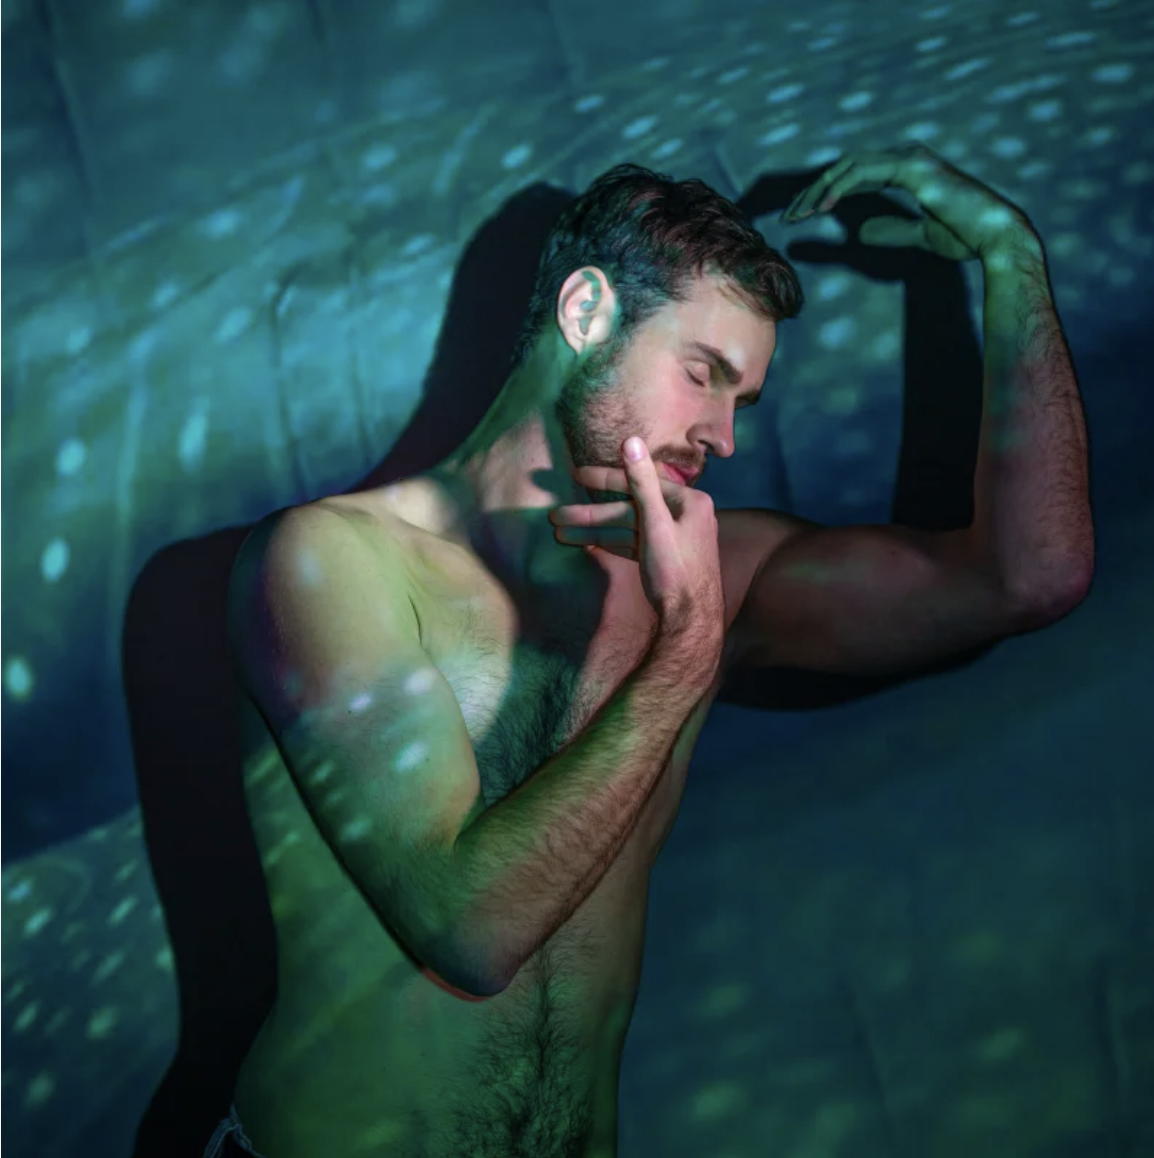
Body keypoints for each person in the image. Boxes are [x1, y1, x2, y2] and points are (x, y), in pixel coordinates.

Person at [216, 143, 1093, 1158]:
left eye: (742, 402)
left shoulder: (710, 574)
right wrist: (686, 650)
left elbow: (1032, 577)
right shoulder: (335, 562)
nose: (723, 437)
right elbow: (472, 933)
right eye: (702, 374)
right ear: (586, 313)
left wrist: (1011, 259)